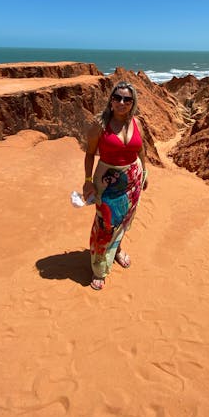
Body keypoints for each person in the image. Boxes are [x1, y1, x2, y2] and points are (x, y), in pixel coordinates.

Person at [83, 81, 148, 290]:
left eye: (127, 99)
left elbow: (141, 151)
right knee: (105, 225)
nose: (121, 102)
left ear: (132, 103)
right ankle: (99, 269)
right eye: (117, 97)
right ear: (111, 100)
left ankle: (117, 250)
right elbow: (90, 154)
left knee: (124, 220)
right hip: (108, 183)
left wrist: (145, 172)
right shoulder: (100, 125)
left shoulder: (137, 123)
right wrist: (87, 182)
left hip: (133, 180)